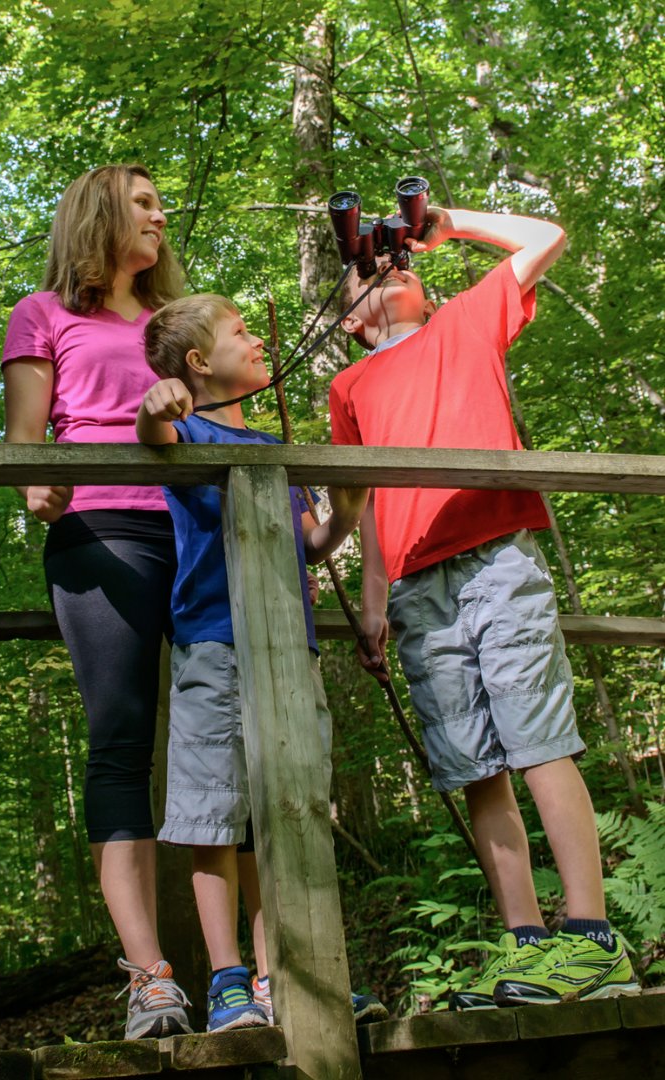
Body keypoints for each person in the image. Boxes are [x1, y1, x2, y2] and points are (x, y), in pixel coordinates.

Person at [328, 204, 640, 1008]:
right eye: (365, 269)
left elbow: (548, 238)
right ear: (351, 322)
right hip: (415, 585)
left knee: (537, 739)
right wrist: (373, 604)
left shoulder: (465, 321)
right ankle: (525, 944)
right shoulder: (349, 386)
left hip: (497, 554)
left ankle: (592, 939)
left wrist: (444, 223)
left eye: (395, 261)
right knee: (474, 763)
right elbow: (364, 503)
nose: (385, 267)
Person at [137, 294, 383, 1030]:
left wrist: (346, 511)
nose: (257, 340)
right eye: (241, 332)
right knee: (213, 811)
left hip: (289, 648)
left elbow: (312, 543)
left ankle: (288, 976)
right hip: (213, 644)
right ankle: (228, 980)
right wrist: (155, 404)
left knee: (291, 802)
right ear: (198, 362)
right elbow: (152, 435)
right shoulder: (186, 431)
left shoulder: (275, 445)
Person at [2, 165, 192, 1039]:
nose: (159, 215)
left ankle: (257, 971)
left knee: (234, 733)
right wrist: (34, 485)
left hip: (199, 528)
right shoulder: (42, 313)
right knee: (121, 741)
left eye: (160, 204)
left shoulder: (176, 321)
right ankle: (150, 979)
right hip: (102, 532)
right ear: (100, 212)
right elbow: (25, 441)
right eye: (143, 202)